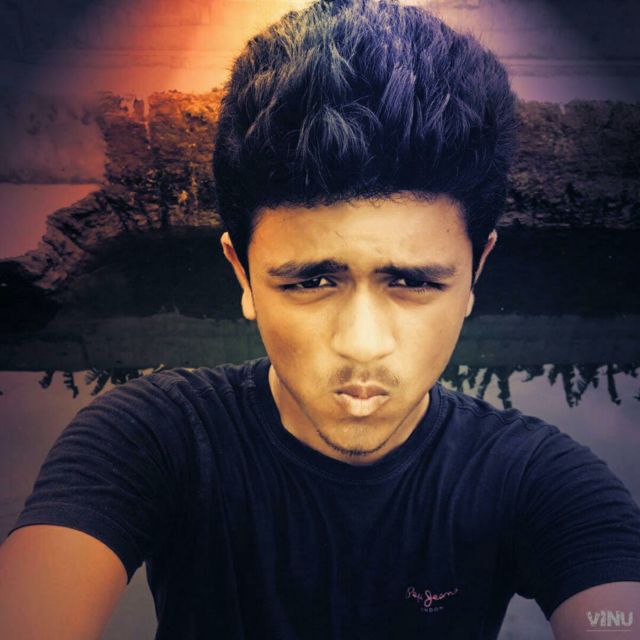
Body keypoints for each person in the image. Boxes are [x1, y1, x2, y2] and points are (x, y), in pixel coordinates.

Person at [1, 0, 639, 638]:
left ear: (476, 274)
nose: (362, 345)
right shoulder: (151, 439)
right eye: (310, 281)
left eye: (414, 282)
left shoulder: (539, 478)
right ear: (242, 275)